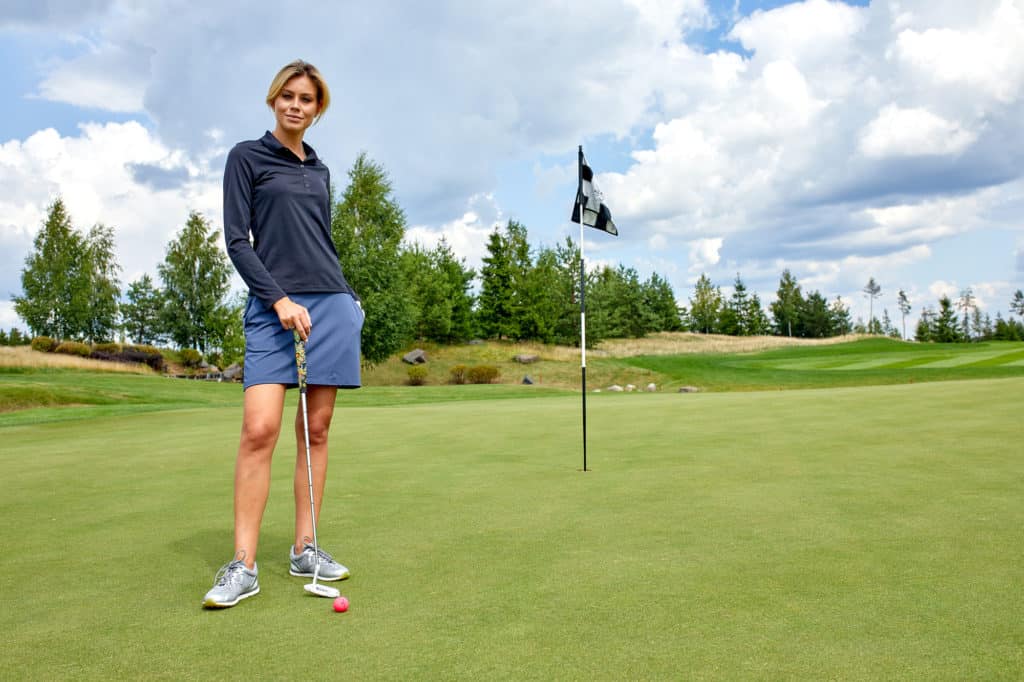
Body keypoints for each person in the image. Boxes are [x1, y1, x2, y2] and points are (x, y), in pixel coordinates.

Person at [203, 60, 363, 608]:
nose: (296, 105)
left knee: (315, 432)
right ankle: (243, 564)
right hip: (274, 308)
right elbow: (237, 241)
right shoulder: (246, 158)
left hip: (332, 307)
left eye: (307, 100)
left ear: (318, 110)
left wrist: (349, 303)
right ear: (273, 99)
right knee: (259, 429)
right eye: (288, 96)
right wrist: (279, 300)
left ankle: (304, 548)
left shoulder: (318, 171)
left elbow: (318, 240)